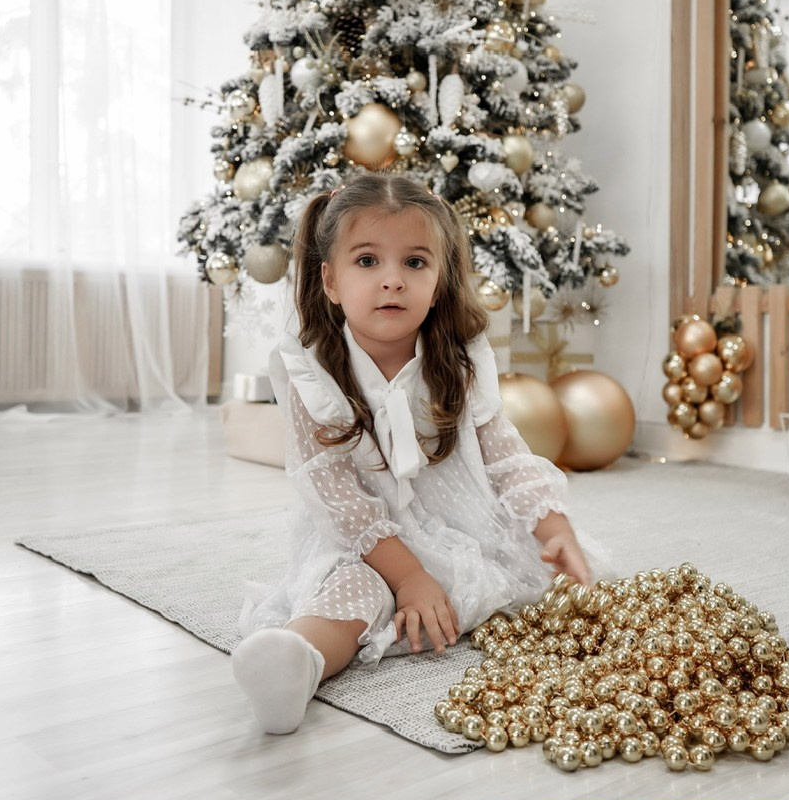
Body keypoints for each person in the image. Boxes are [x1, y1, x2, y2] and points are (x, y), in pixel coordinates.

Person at [231, 173, 605, 735]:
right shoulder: (310, 372)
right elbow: (335, 495)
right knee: (353, 593)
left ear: (439, 280)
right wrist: (408, 577)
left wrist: (554, 527)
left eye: (414, 262)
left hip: (461, 526)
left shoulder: (459, 359)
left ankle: (321, 647)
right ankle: (296, 660)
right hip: (365, 540)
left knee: (550, 581)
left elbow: (506, 456)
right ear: (330, 280)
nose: (392, 280)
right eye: (367, 261)